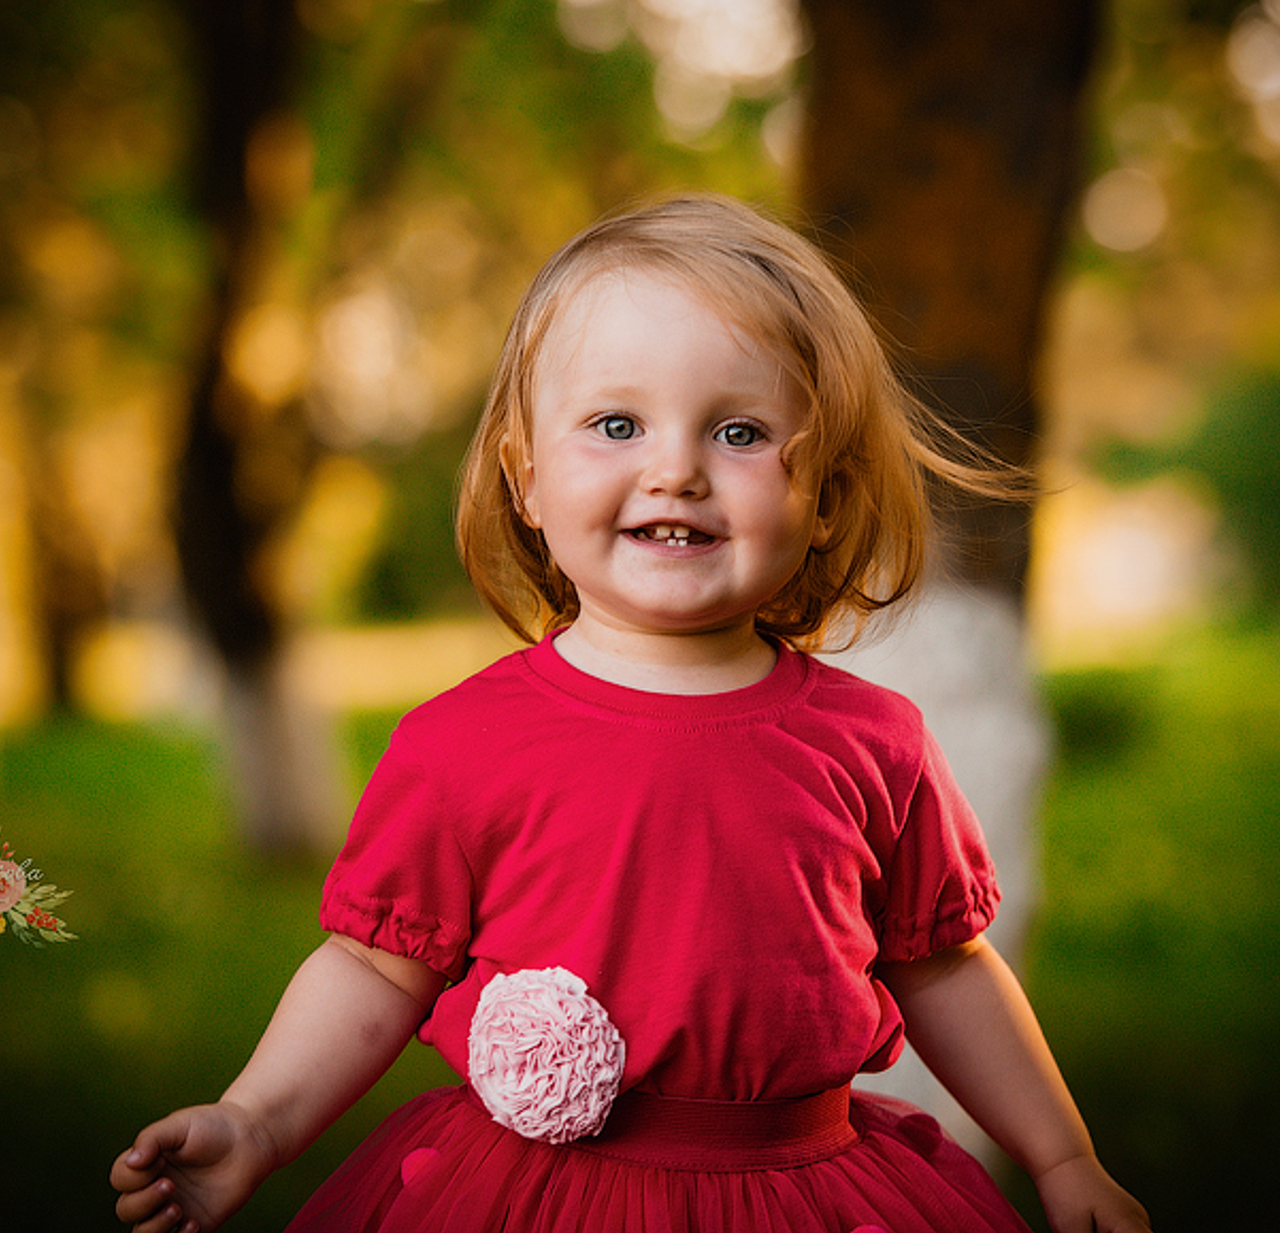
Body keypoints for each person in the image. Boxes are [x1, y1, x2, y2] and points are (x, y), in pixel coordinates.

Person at [112, 194, 1152, 1233]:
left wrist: (1060, 1154)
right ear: (525, 477)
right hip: (537, 1199)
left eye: (739, 431)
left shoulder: (872, 743)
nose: (675, 469)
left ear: (824, 496)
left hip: (801, 1192)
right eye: (616, 424)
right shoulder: (459, 744)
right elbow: (371, 968)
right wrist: (253, 1120)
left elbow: (944, 966)